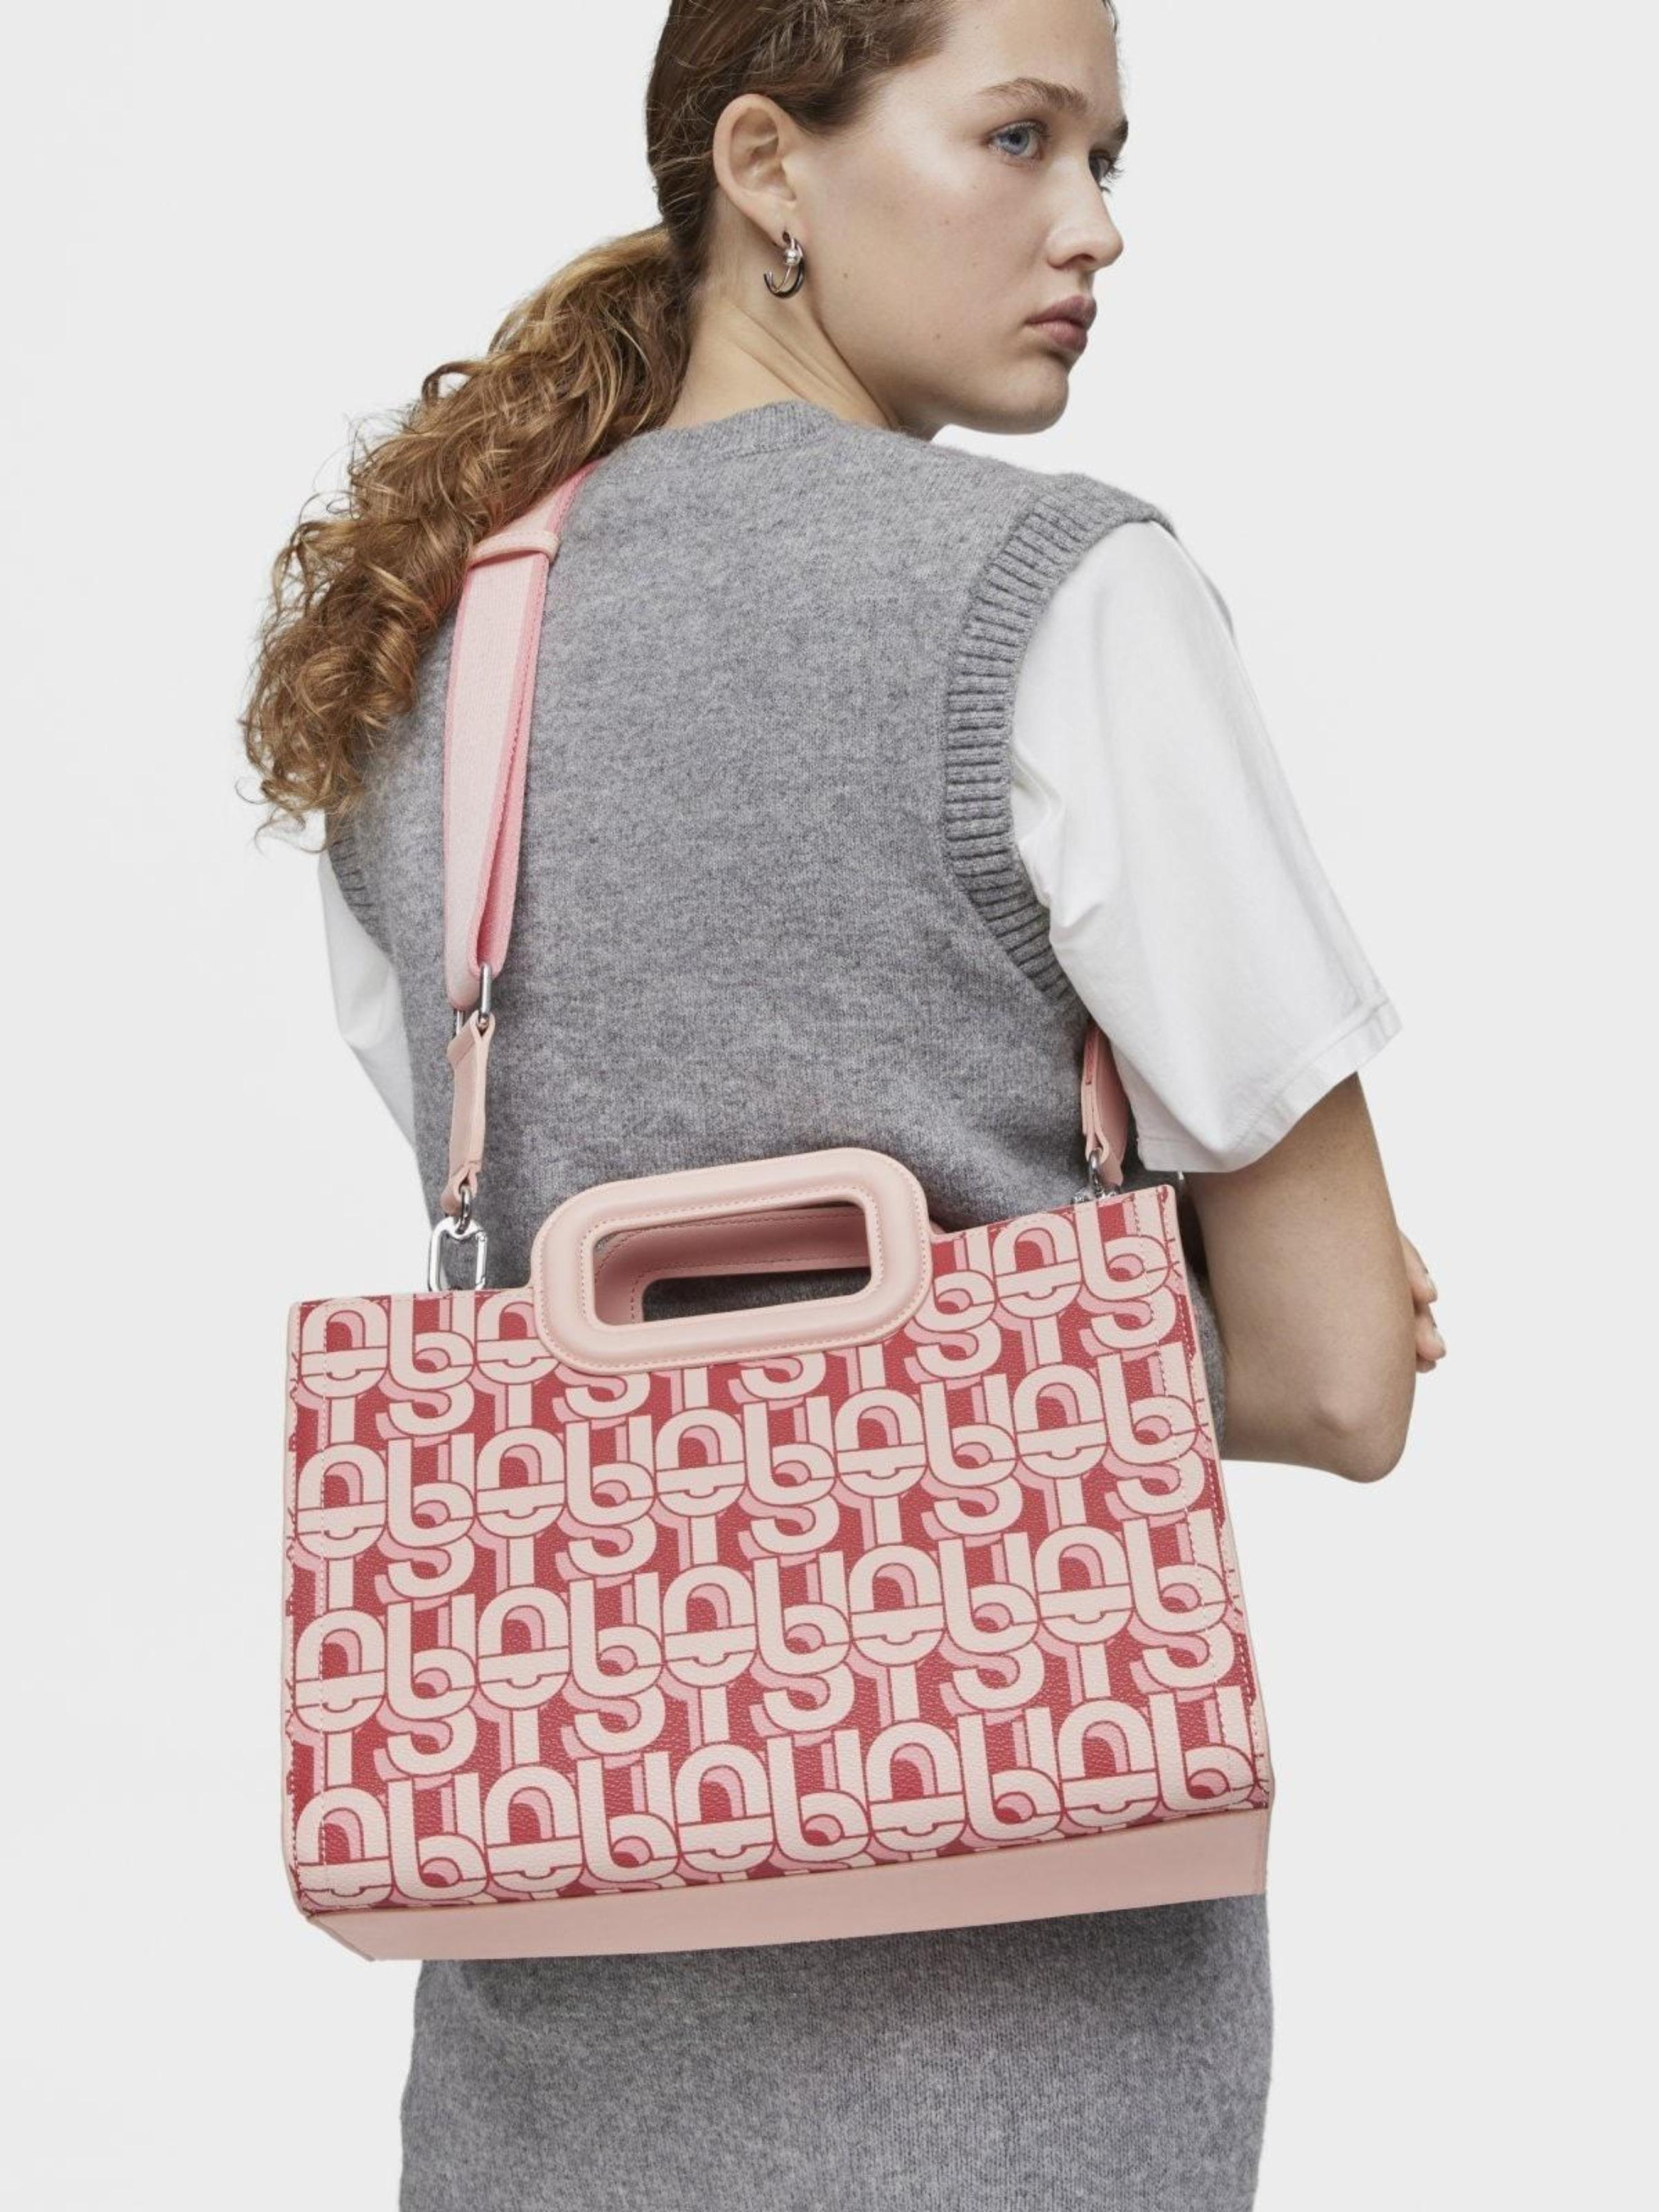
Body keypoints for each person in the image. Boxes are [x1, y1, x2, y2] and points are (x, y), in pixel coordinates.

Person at [242, 2, 1444, 2205]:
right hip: (1020, 2065)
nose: (1094, 226)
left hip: (546, 2080)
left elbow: (568, 1299)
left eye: (1104, 157)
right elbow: (1340, 1370)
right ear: (767, 168)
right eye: (1019, 138)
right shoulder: (1062, 599)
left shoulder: (428, 668)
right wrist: (1189, 1288)